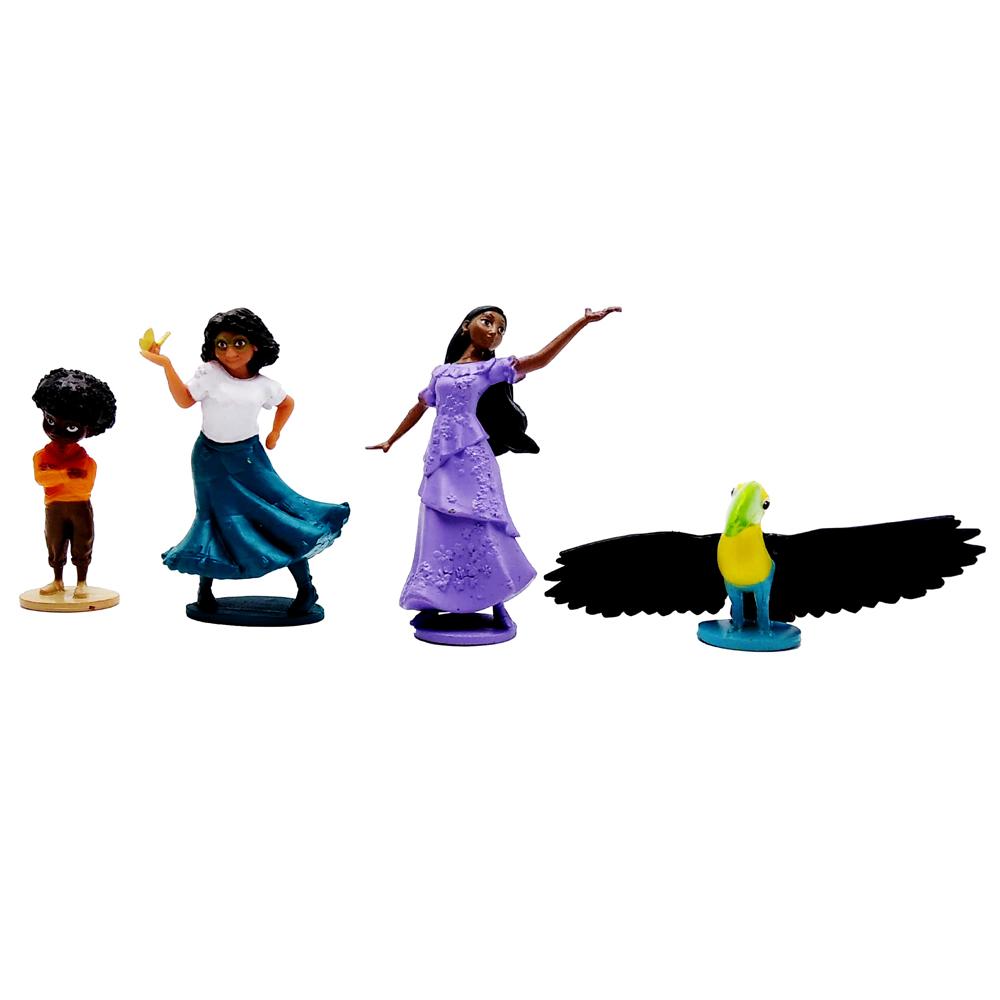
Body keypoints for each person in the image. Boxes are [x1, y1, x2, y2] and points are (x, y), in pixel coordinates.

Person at [368, 304, 619, 642]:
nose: (494, 332)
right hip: (440, 458)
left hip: (472, 455)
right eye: (488, 322)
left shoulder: (491, 369)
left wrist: (582, 323)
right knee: (438, 527)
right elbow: (422, 405)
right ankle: (435, 598)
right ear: (465, 326)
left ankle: (497, 601)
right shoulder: (441, 372)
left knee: (482, 524)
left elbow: (540, 359)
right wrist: (392, 438)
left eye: (501, 329)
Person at [141, 307, 349, 617]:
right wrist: (166, 365)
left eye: (238, 343)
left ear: (256, 345)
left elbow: (287, 403)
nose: (229, 352)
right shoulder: (210, 373)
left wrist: (276, 432)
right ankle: (204, 590)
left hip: (249, 459)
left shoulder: (264, 385)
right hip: (210, 459)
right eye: (221, 344)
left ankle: (306, 587)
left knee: (278, 517)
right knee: (213, 520)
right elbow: (185, 400)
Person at [31, 368, 117, 599]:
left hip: (80, 506)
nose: (56, 431)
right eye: (50, 420)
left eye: (71, 427)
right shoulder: (42, 455)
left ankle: (82, 582)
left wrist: (57, 475)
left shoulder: (86, 460)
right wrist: (67, 474)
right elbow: (41, 478)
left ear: (88, 430)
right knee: (54, 542)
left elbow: (85, 485)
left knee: (82, 541)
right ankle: (57, 580)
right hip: (54, 506)